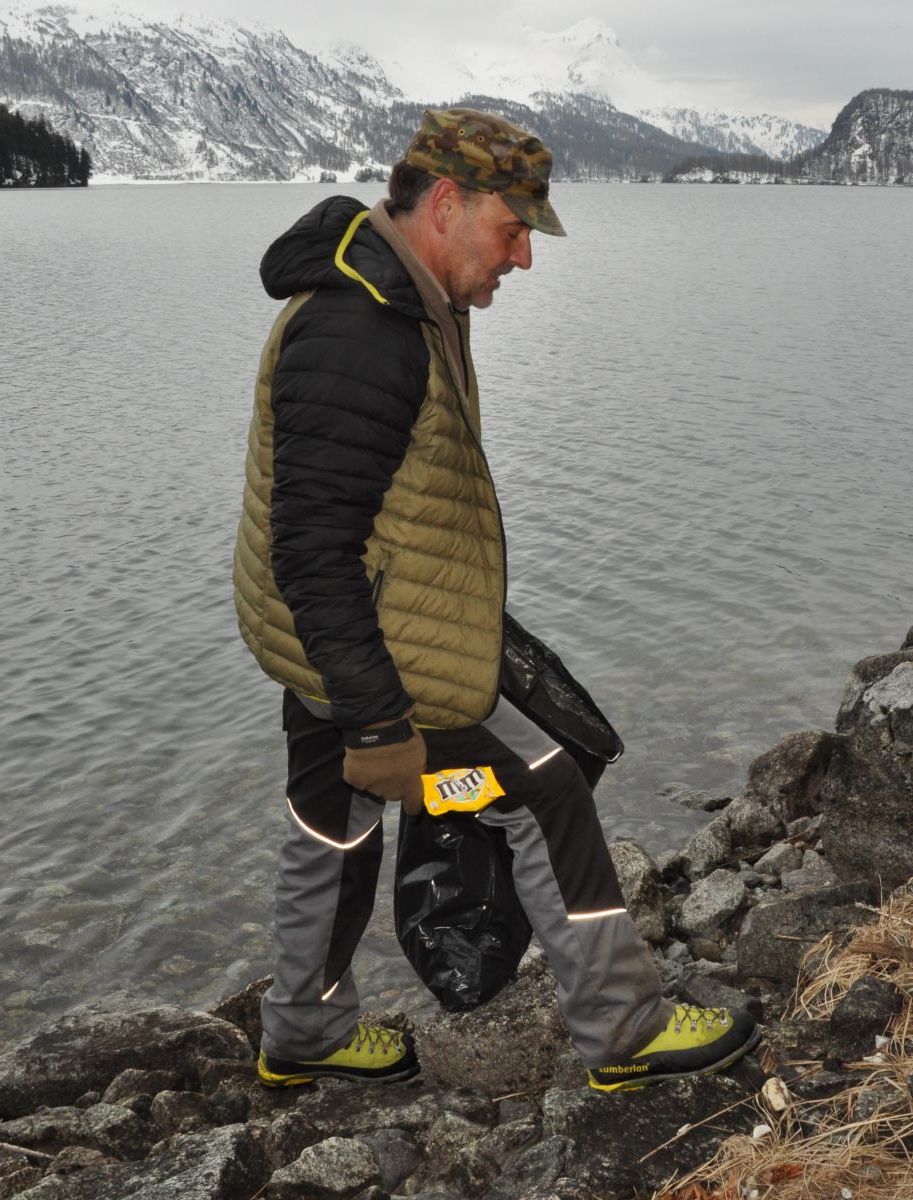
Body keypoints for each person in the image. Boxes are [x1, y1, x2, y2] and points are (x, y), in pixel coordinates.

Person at [234, 107, 760, 1093]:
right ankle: (624, 1028)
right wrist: (380, 717)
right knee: (545, 786)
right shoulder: (361, 330)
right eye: (513, 229)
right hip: (373, 648)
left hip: (327, 642)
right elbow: (312, 549)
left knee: (332, 819)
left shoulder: (401, 297)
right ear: (445, 203)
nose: (523, 257)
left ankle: (302, 1028)